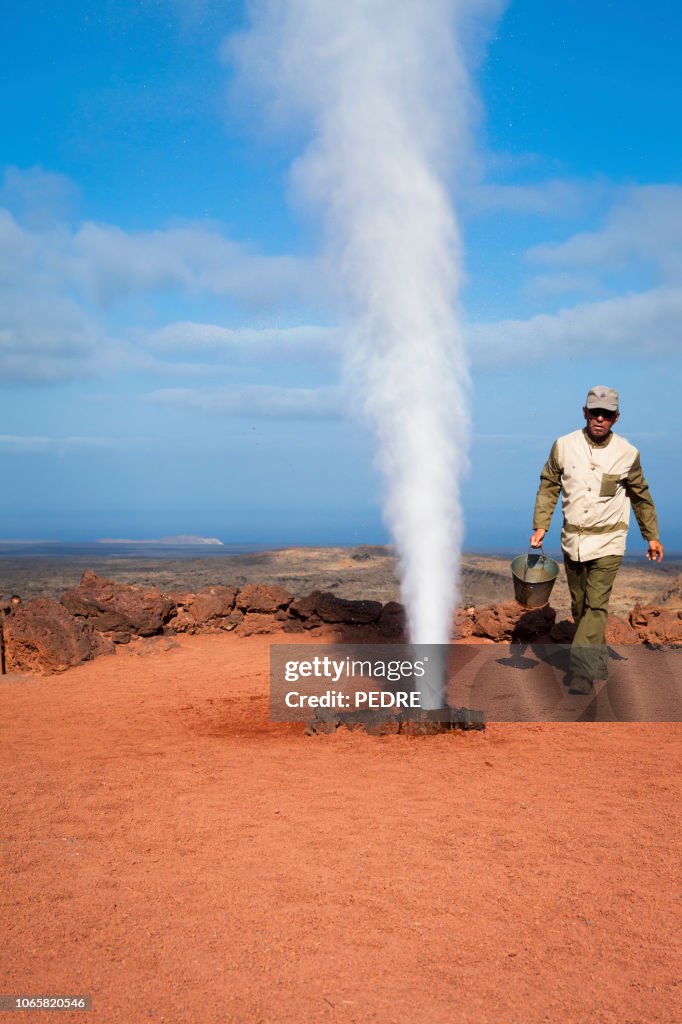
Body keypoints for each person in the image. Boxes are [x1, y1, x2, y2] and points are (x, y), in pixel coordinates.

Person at [529, 386, 663, 694]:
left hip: (609, 541)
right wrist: (541, 524)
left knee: (596, 606)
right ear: (584, 413)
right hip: (572, 540)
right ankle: (597, 658)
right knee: (580, 605)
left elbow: (641, 496)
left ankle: (581, 673)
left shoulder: (627, 453)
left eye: (606, 414)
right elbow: (549, 484)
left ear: (616, 418)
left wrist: (651, 536)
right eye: (594, 413)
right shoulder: (563, 446)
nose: (599, 419)